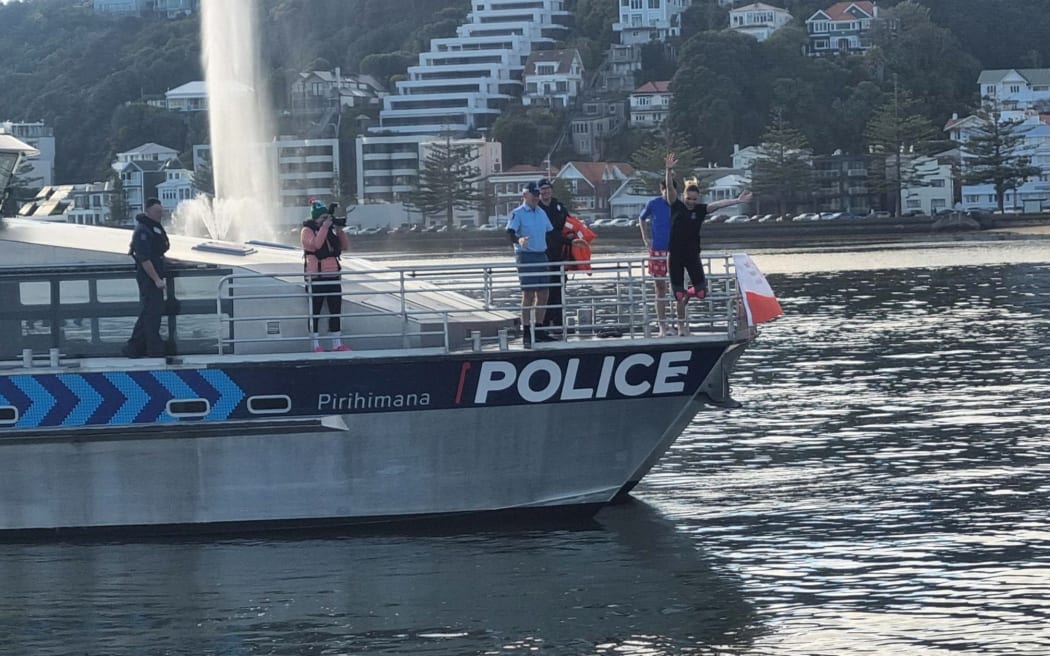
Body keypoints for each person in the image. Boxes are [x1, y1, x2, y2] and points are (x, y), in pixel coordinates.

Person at [659, 153, 751, 336]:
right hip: (675, 255)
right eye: (689, 199)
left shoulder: (700, 210)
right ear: (684, 196)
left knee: (701, 292)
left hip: (692, 255)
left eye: (694, 199)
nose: (691, 202)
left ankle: (686, 295)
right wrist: (669, 170)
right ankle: (681, 322)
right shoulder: (676, 205)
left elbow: (718, 205)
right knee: (677, 294)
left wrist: (737, 201)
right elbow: (669, 188)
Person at [506, 181, 554, 348]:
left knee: (544, 293)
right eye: (533, 195)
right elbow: (510, 232)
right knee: (528, 294)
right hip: (526, 255)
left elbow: (550, 231)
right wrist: (519, 240)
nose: (536, 198)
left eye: (537, 195)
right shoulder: (518, 213)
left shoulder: (541, 213)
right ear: (525, 196)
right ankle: (526, 330)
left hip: (541, 254)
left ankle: (539, 328)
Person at [301, 199, 351, 352]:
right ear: (316, 218)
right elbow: (316, 245)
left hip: (333, 275)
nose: (325, 220)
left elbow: (345, 246)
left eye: (326, 217)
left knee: (335, 310)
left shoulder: (328, 231)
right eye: (322, 218)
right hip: (316, 276)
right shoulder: (307, 231)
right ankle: (315, 344)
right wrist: (324, 228)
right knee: (314, 311)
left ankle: (337, 343)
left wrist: (339, 231)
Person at [123, 197, 169, 358]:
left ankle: (135, 347)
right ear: (147, 211)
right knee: (152, 313)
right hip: (149, 277)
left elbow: (157, 253)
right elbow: (144, 258)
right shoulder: (142, 230)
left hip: (155, 273)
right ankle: (152, 348)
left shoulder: (153, 227)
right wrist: (156, 279)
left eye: (161, 212)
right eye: (157, 212)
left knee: (150, 311)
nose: (159, 215)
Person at [537, 177, 576, 335]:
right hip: (543, 252)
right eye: (542, 189)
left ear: (551, 190)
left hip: (559, 253)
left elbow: (569, 223)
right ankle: (543, 321)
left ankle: (559, 320)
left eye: (547, 188)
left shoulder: (559, 207)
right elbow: (547, 232)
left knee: (559, 287)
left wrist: (573, 237)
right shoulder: (536, 209)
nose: (545, 191)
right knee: (544, 288)